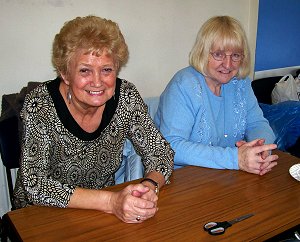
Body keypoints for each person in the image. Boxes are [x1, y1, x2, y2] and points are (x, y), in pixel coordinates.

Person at [13, 15, 174, 223]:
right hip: (42, 215)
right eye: (85, 70)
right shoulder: (40, 104)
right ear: (65, 73)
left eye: (106, 70)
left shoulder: (126, 96)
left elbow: (160, 152)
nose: (97, 82)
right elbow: (36, 185)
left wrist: (149, 187)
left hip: (100, 213)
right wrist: (111, 202)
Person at [154, 16, 278, 175]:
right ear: (203, 53)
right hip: (183, 180)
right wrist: (235, 158)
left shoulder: (241, 83)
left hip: (227, 175)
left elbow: (258, 124)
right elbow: (172, 146)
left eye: (235, 55)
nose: (228, 64)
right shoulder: (183, 85)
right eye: (219, 54)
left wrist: (260, 150)